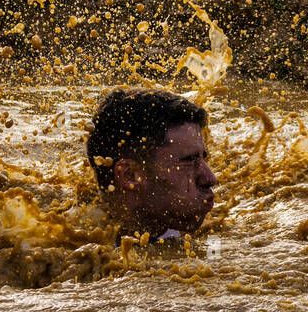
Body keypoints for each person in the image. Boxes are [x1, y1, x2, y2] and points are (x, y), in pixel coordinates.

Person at [86, 88, 217, 240]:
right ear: (130, 175)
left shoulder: (174, 230)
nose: (210, 178)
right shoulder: (77, 251)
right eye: (188, 161)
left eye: (203, 158)